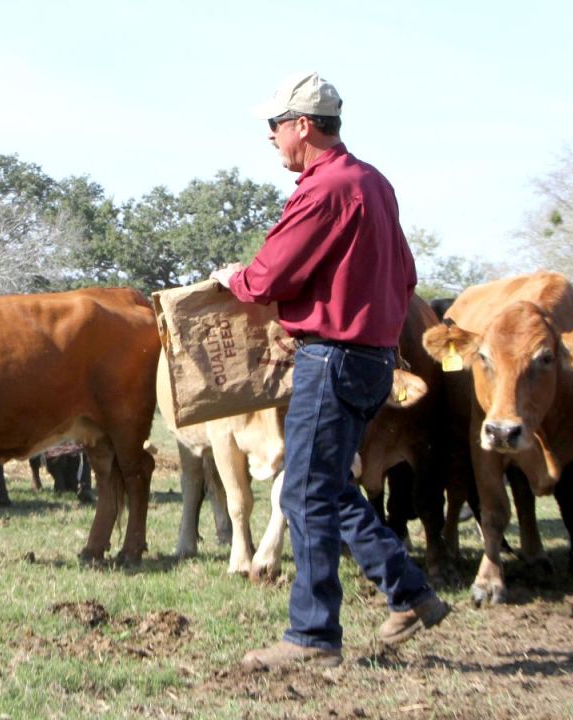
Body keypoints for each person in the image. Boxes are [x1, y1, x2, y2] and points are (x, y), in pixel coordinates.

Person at [210, 71, 449, 670]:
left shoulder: (324, 189)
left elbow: (267, 278)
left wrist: (231, 279)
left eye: (275, 126)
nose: (270, 139)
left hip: (331, 358)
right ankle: (411, 593)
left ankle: (313, 637)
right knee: (329, 485)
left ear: (303, 127)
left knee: (305, 492)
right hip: (372, 360)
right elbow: (407, 274)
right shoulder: (373, 183)